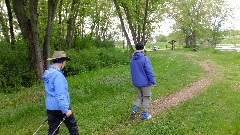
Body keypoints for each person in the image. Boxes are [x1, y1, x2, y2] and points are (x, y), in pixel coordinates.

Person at [42, 51, 79, 135]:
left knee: (53, 129)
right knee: (73, 126)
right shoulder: (58, 75)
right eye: (65, 62)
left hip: (50, 107)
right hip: (60, 107)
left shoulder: (49, 73)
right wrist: (66, 109)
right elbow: (60, 94)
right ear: (62, 62)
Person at [130, 43, 156, 120]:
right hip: (145, 83)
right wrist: (153, 81)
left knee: (139, 97)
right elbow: (149, 72)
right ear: (143, 48)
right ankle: (145, 115)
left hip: (136, 82)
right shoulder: (145, 59)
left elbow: (132, 71)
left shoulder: (133, 59)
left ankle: (134, 109)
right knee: (146, 97)